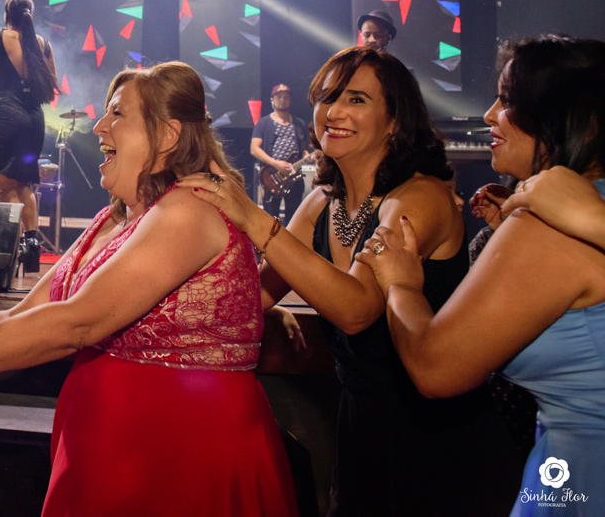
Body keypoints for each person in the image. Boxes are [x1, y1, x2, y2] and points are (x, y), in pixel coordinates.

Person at [0, 62, 299, 517]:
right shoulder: (113, 219)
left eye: (118, 114)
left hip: (179, 452)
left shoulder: (190, 209)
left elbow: (73, 324)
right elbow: (21, 315)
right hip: (109, 450)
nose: (100, 127)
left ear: (168, 135)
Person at [178, 47, 520, 516]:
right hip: (360, 431)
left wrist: (253, 218)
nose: (334, 112)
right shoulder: (321, 202)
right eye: (327, 98)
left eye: (356, 99)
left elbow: (357, 310)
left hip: (438, 436)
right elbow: (251, 298)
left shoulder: (419, 197)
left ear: (395, 120)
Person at [356, 35, 605, 516]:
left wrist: (401, 282)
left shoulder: (549, 224)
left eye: (508, 101)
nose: (490, 115)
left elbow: (435, 368)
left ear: (570, 118)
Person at [0, 0, 58, 272]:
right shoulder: (43, 44)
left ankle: (7, 254)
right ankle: (32, 247)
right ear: (30, 15)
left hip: (5, 116)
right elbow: (52, 83)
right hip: (34, 119)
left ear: (6, 15)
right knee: (25, 186)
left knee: (4, 186)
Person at [250, 83, 312, 222]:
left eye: (286, 97)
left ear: (290, 100)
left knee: (294, 218)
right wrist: (276, 164)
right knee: (271, 219)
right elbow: (254, 149)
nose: (282, 100)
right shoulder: (264, 123)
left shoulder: (299, 123)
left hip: (294, 176)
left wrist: (308, 156)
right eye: (279, 97)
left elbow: (303, 149)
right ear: (272, 100)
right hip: (272, 176)